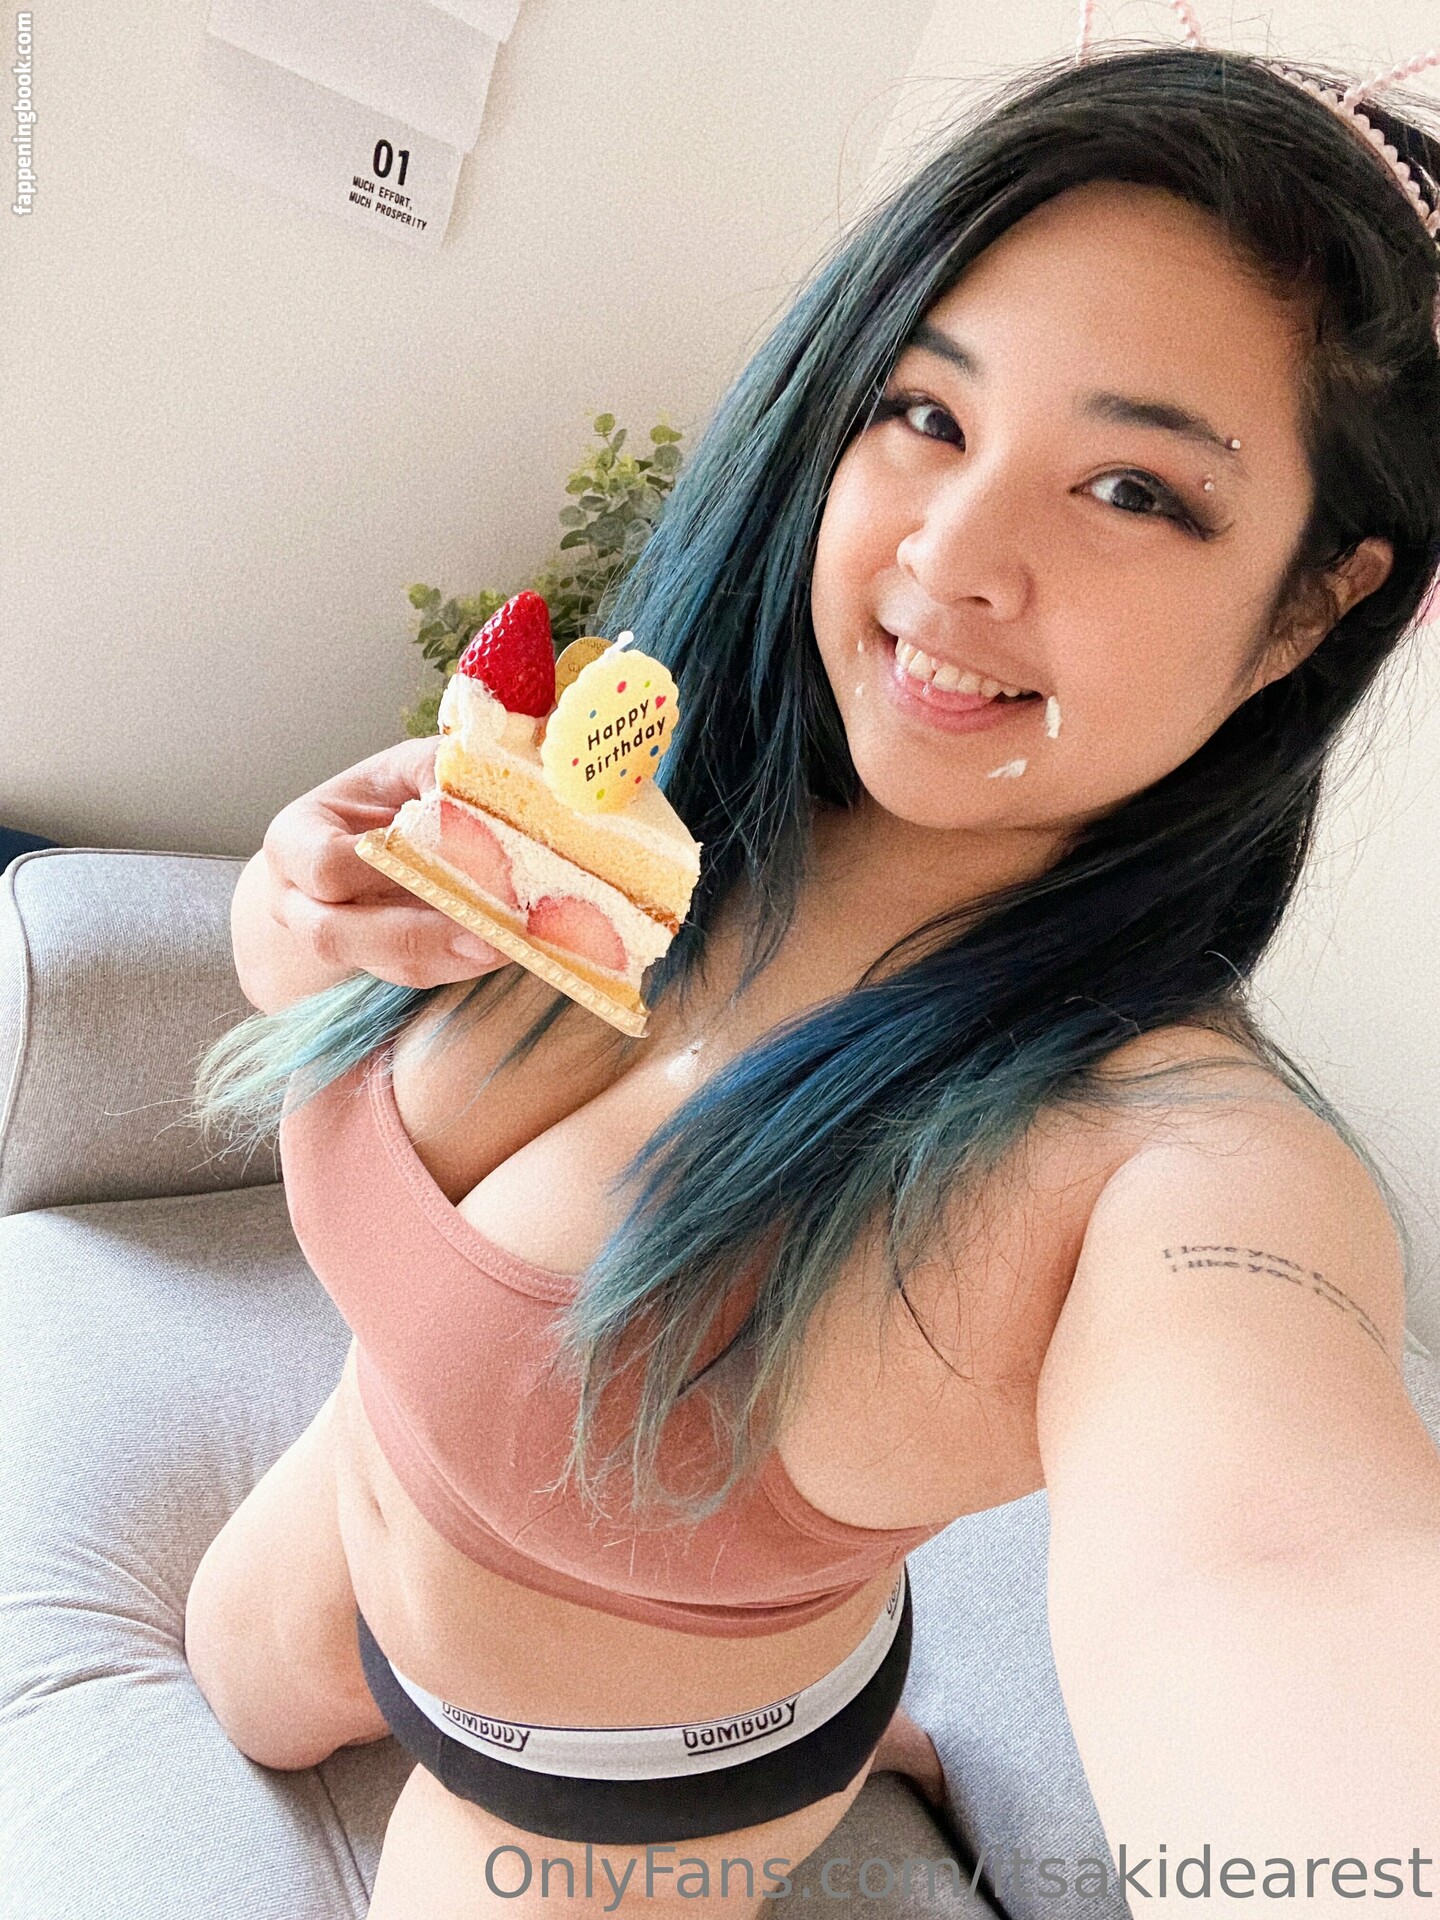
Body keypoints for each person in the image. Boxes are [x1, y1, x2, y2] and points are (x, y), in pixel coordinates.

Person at [183, 38, 1440, 1919]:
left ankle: (844, 1745)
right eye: (926, 413)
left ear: (1310, 607)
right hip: (341, 1522)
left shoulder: (1166, 1155)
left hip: (619, 1801)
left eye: (1134, 489)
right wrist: (302, 905)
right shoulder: (638, 794)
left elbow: (1281, 1572)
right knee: (234, 1687)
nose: (953, 554)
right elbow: (298, 987)